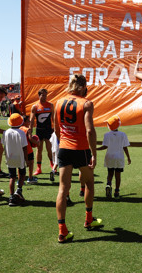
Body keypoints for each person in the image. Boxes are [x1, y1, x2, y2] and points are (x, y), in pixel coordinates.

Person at [54, 74, 102, 243]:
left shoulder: (59, 102)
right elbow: (90, 131)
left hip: (64, 149)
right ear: (83, 87)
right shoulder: (87, 103)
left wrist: (64, 142)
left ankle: (62, 231)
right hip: (81, 149)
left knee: (63, 189)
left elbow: (57, 129)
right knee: (89, 183)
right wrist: (94, 154)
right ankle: (89, 219)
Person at [97, 115, 131, 199]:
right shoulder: (123, 134)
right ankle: (116, 191)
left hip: (109, 157)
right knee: (118, 175)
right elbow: (125, 147)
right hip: (119, 157)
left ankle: (108, 184)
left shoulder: (107, 135)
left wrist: (95, 149)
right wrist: (128, 157)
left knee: (110, 173)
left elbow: (105, 146)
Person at [2, 113, 28, 206]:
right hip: (20, 156)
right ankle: (19, 190)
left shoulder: (6, 132)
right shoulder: (21, 132)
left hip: (10, 156)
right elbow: (24, 147)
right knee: (22, 174)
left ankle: (11, 196)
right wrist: (26, 159)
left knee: (12, 176)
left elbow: (4, 145)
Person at [30, 89, 55, 177]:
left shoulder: (50, 105)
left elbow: (53, 118)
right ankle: (38, 168)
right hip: (39, 131)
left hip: (48, 131)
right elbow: (32, 119)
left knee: (50, 149)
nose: (45, 97)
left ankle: (52, 165)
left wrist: (55, 129)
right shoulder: (35, 106)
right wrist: (30, 130)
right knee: (39, 150)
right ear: (39, 95)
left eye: (46, 95)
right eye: (43, 95)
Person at [19, 116, 40, 184]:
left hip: (20, 149)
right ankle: (30, 178)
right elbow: (30, 138)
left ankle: (20, 180)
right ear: (24, 122)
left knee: (20, 165)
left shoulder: (19, 129)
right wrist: (37, 143)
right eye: (28, 121)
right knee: (31, 163)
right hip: (28, 149)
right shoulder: (28, 129)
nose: (30, 122)